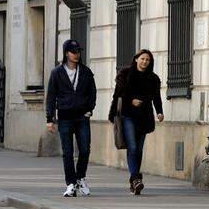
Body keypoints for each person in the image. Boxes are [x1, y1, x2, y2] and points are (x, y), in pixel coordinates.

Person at [45, 39, 97, 198]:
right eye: (73, 51)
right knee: (67, 152)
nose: (76, 54)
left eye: (78, 52)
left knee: (85, 149)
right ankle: (70, 183)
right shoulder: (57, 72)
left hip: (82, 116)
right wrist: (49, 118)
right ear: (66, 53)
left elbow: (92, 92)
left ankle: (80, 177)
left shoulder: (86, 72)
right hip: (65, 117)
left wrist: (90, 109)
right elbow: (51, 96)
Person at [107, 49, 163, 195]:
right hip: (128, 114)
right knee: (132, 146)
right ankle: (136, 178)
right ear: (136, 59)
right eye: (142, 59)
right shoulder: (125, 74)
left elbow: (156, 97)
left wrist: (159, 112)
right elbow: (117, 94)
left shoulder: (153, 78)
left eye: (148, 60)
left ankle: (134, 181)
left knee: (138, 149)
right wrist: (116, 111)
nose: (145, 62)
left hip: (144, 116)